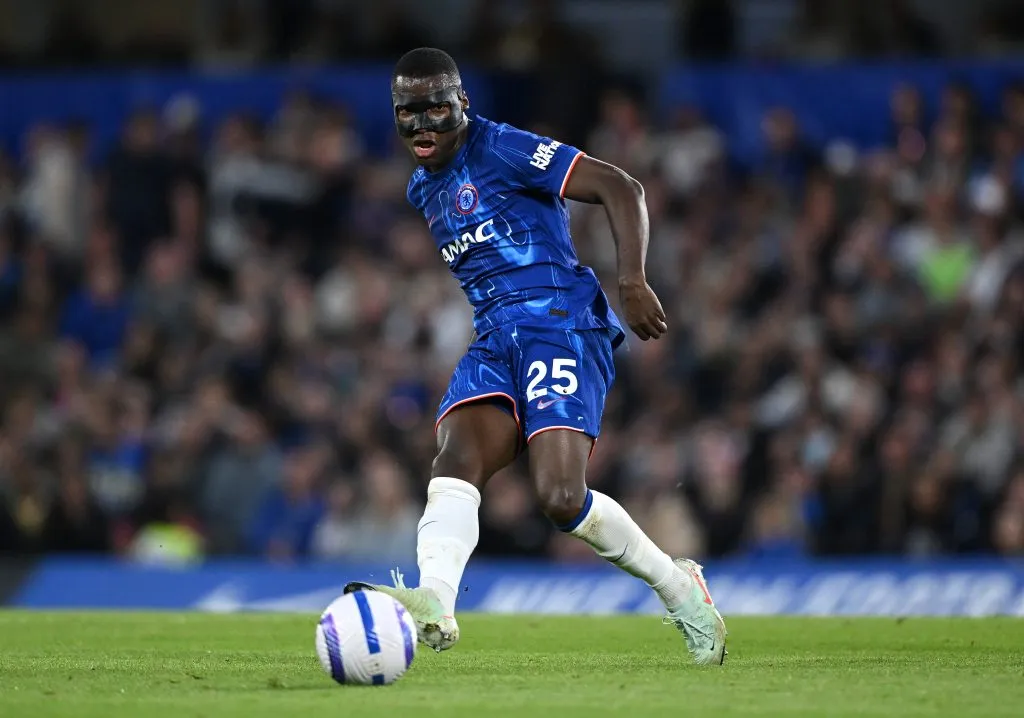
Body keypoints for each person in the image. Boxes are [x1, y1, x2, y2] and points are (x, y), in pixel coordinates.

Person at [344, 48, 726, 666]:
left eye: (436, 107)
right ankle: (436, 602)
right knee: (455, 459)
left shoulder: (500, 148)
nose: (423, 124)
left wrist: (632, 279)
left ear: (462, 103)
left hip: (560, 322)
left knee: (558, 496)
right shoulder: (423, 187)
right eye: (408, 111)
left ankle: (679, 587)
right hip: (496, 337)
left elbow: (618, 185)